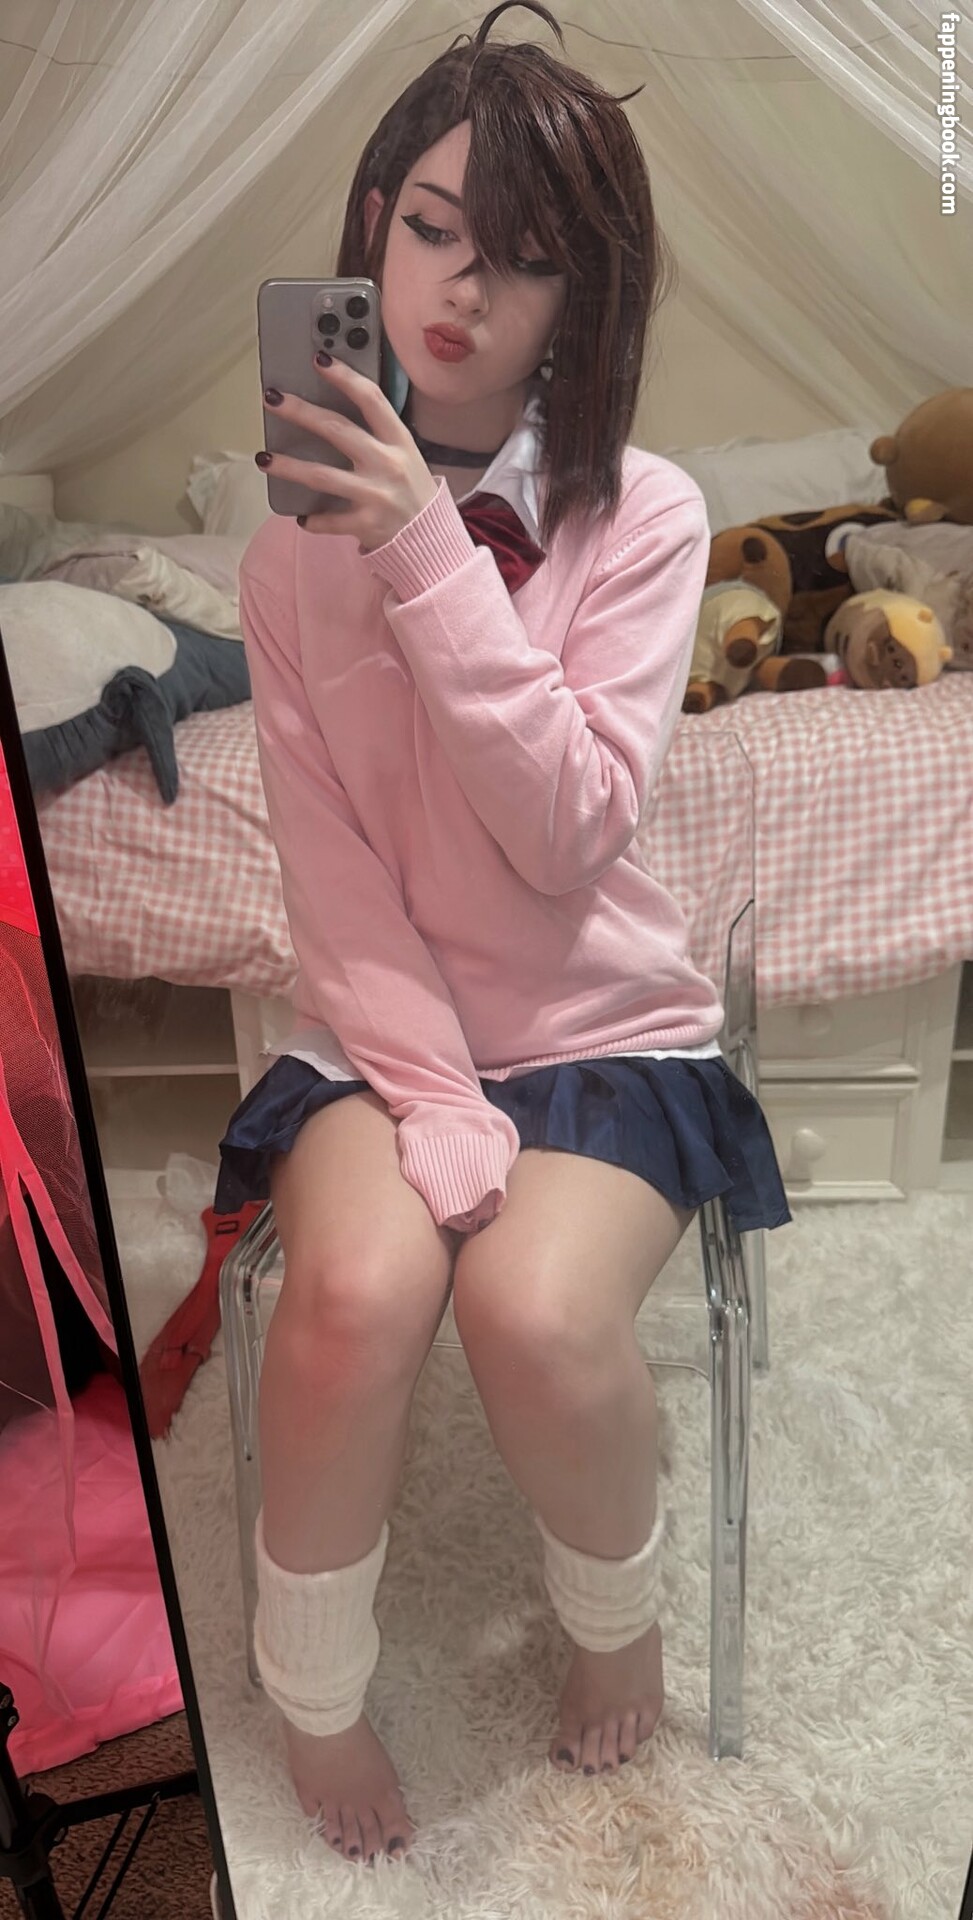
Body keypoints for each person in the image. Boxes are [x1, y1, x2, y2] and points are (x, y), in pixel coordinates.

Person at [215, 0, 791, 1871]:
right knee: (354, 1299)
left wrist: (421, 551)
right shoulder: (280, 555)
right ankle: (311, 1693)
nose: (463, 288)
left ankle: (614, 1617)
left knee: (531, 1310)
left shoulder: (648, 516)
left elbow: (567, 832)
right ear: (372, 228)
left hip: (598, 1019)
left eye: (525, 257)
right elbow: (331, 875)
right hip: (385, 1027)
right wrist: (429, 1092)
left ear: (581, 299)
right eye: (433, 227)